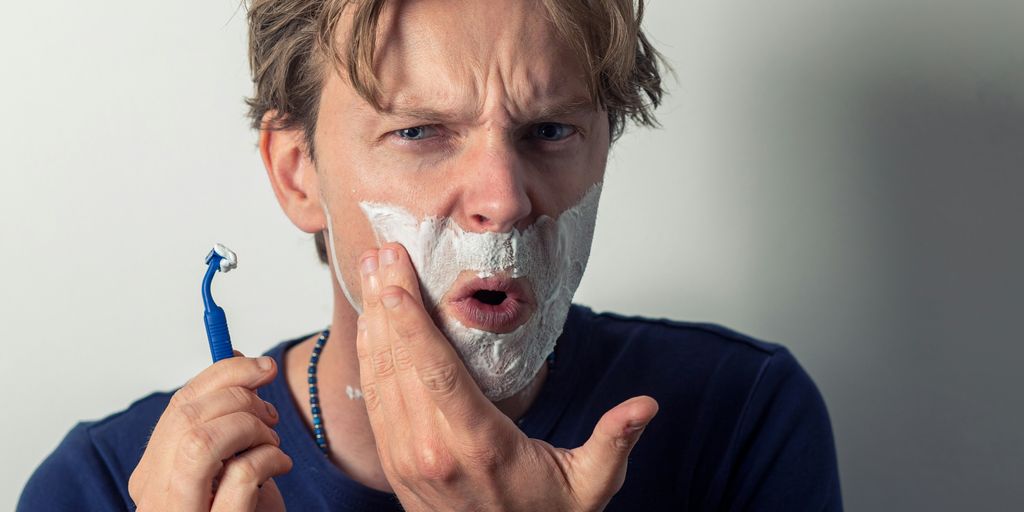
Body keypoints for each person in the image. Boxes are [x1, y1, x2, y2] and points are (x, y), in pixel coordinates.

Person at [19, 0, 842, 510]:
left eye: (550, 131)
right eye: (418, 132)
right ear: (298, 173)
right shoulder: (110, 488)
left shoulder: (736, 421)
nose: (505, 197)